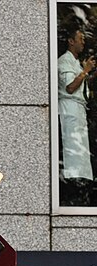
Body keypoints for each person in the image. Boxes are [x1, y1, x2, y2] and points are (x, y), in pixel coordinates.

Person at [58, 25, 96, 205]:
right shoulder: (64, 61)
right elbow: (70, 88)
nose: (83, 42)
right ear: (71, 41)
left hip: (79, 110)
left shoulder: (75, 62)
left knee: (80, 149)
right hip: (70, 109)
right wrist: (85, 71)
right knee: (73, 146)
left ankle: (80, 181)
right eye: (80, 39)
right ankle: (73, 181)